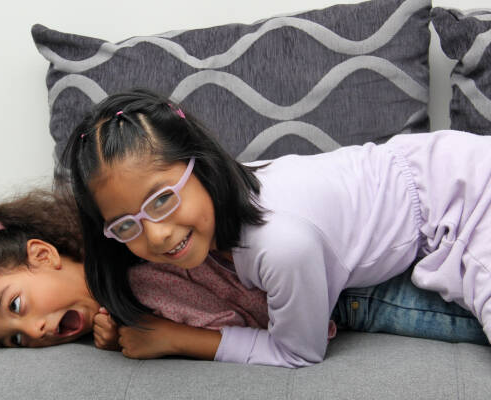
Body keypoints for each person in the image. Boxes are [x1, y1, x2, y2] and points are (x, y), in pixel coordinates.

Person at [64, 88, 491, 368]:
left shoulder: (279, 245)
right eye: (126, 224)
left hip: (464, 200)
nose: (155, 235)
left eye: (162, 199)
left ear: (201, 164)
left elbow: (298, 351)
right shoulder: (223, 198)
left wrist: (179, 339)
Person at [0, 189, 486, 351]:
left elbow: (254, 314)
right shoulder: (121, 305)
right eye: (15, 340)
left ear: (44, 255)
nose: (35, 330)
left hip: (349, 281)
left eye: (17, 307)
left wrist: (164, 336)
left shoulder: (138, 267)